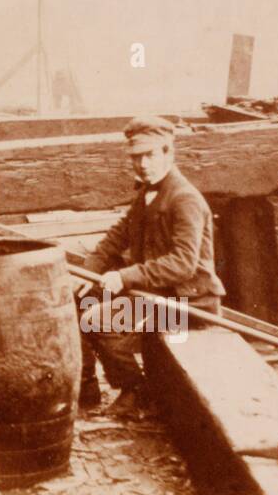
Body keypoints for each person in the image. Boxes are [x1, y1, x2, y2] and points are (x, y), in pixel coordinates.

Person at [78, 116, 226, 415]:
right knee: (79, 300)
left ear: (168, 152)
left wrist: (125, 276)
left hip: (187, 304)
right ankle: (85, 387)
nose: (143, 164)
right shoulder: (146, 193)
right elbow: (116, 237)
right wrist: (89, 272)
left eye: (150, 155)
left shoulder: (184, 199)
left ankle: (137, 391)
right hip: (157, 294)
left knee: (97, 319)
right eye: (136, 156)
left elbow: (183, 264)